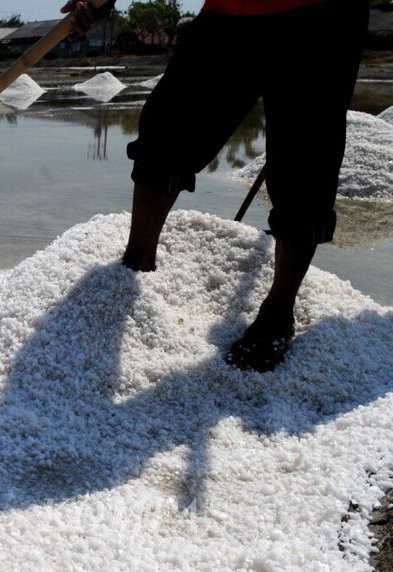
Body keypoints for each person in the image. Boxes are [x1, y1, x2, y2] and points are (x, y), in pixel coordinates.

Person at [63, 0, 369, 372]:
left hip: (320, 14)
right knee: (166, 128)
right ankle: (135, 264)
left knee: (303, 160)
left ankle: (277, 312)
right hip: (231, 11)